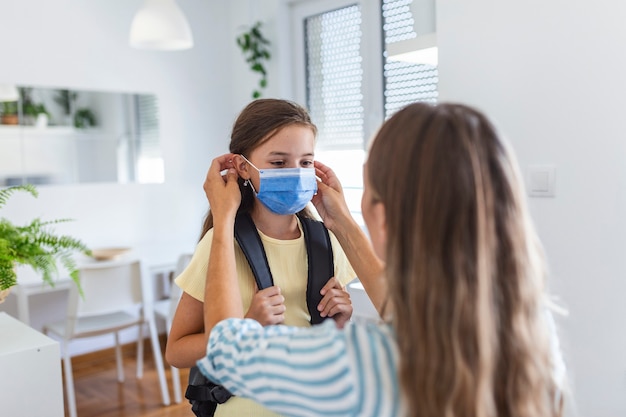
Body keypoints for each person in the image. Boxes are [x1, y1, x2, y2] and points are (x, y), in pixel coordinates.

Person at [196, 102, 566, 417]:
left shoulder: (365, 362)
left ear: (384, 217)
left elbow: (226, 350)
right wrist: (343, 223)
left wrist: (224, 218)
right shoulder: (531, 328)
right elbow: (404, 310)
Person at [165, 99, 357, 417]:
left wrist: (338, 321)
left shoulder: (328, 240)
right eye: (279, 163)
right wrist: (247, 326)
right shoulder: (220, 245)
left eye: (306, 162)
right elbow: (176, 351)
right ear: (243, 167)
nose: (295, 173)